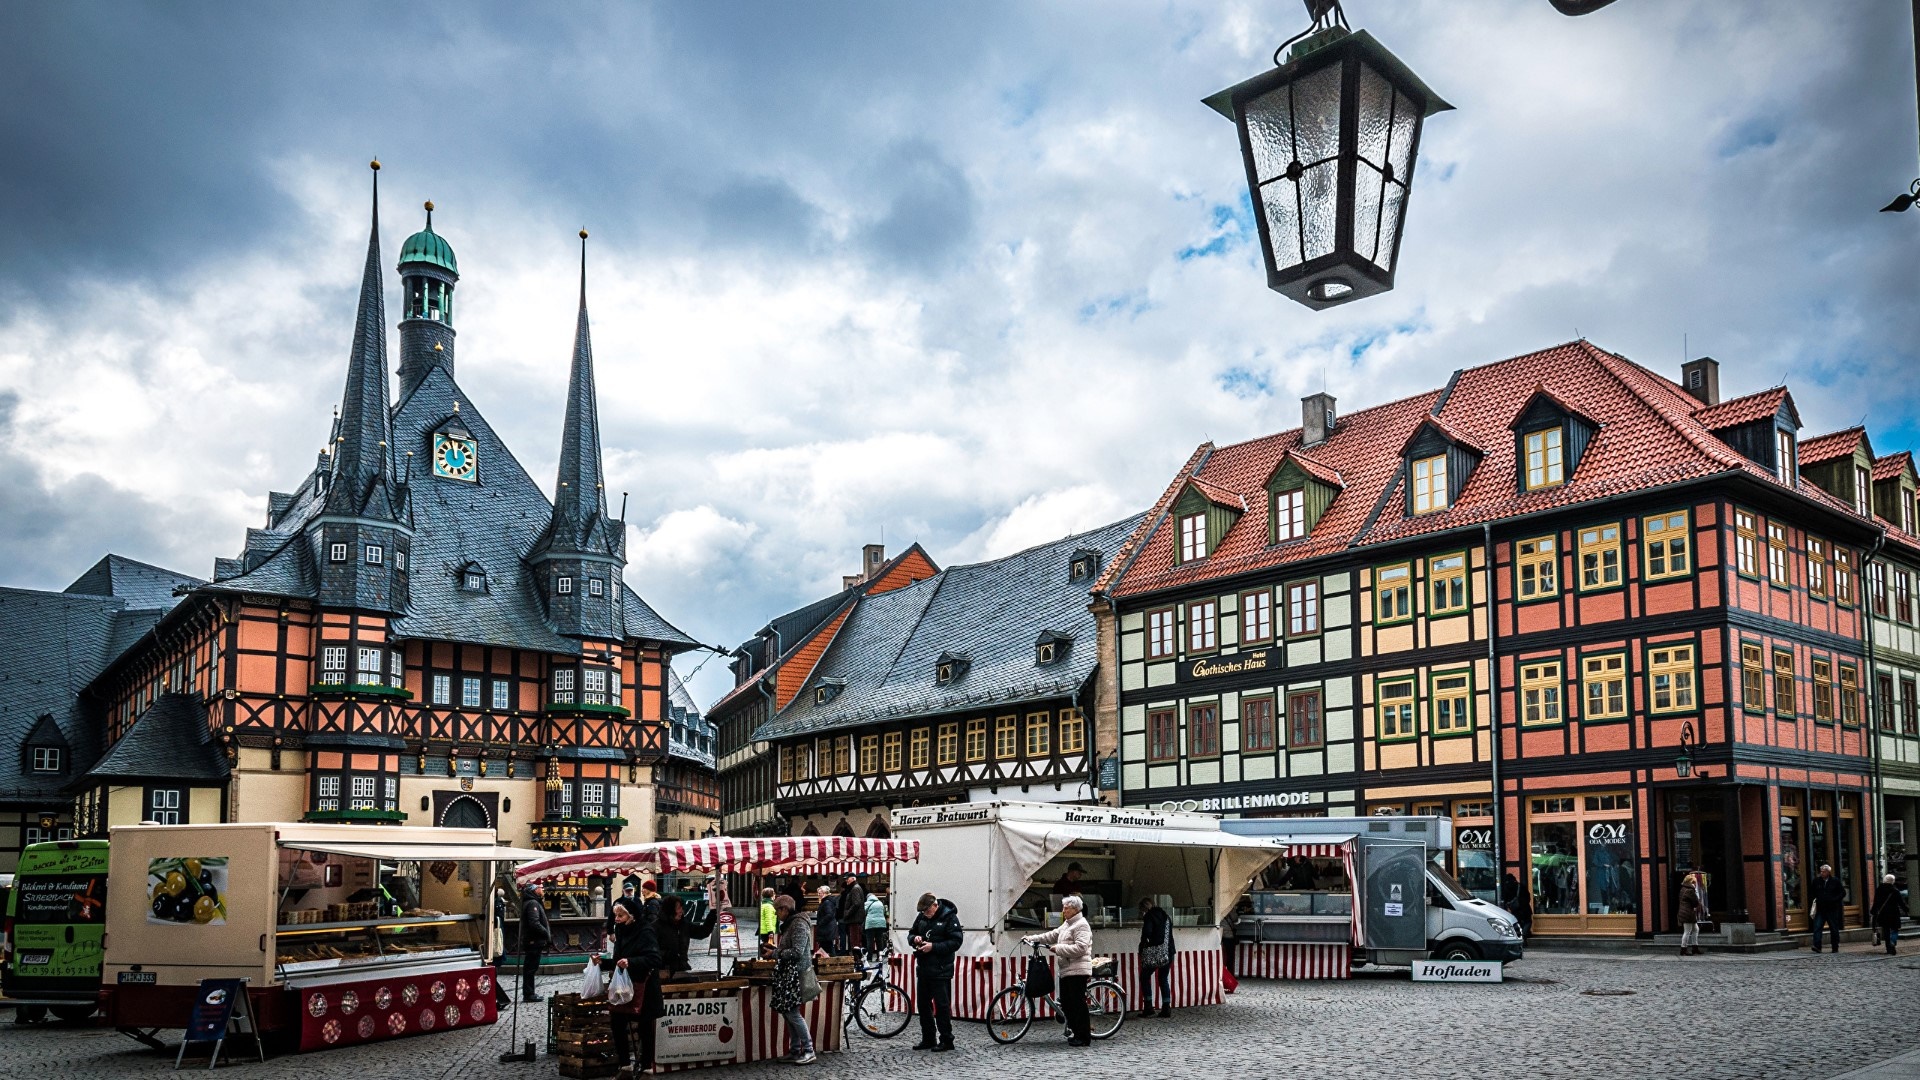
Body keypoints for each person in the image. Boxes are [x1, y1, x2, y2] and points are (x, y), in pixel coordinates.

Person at [1024, 894, 1094, 1047]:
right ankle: (1076, 1033)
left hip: (1077, 969)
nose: (1063, 911)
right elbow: (1052, 935)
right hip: (1067, 969)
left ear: (1075, 909)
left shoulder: (1081, 925)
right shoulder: (1068, 924)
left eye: (1066, 908)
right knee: (1068, 1003)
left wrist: (1059, 948)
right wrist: (1033, 938)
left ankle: (1084, 1036)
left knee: (1077, 1004)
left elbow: (1081, 948)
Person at [607, 896, 665, 1078]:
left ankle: (647, 1066)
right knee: (617, 1021)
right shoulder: (620, 930)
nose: (616, 919)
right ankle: (625, 1065)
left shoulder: (645, 931)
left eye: (620, 915)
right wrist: (601, 963)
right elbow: (618, 959)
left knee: (645, 1026)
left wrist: (631, 962)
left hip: (644, 986)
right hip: (624, 987)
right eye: (616, 915)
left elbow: (655, 959)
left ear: (631, 916)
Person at [908, 891, 962, 1051]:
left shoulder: (950, 917)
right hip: (924, 968)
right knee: (923, 1005)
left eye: (927, 911)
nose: (925, 914)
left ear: (935, 906)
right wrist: (914, 939)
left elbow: (956, 941)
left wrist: (934, 947)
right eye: (923, 912)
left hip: (941, 969)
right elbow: (912, 933)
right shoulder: (922, 917)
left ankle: (946, 1039)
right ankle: (928, 1038)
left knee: (942, 1006)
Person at [768, 894, 818, 1065]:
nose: (776, 914)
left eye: (777, 911)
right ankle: (795, 1050)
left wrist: (775, 953)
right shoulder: (791, 924)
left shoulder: (798, 924)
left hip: (795, 975)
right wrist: (776, 950)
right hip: (788, 975)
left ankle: (809, 1050)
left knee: (792, 1013)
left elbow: (796, 952)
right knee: (788, 1013)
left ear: (785, 909)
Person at [657, 894, 719, 974]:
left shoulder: (683, 924)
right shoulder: (656, 927)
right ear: (670, 910)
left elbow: (702, 932)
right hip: (663, 971)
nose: (681, 911)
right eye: (679, 908)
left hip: (682, 968)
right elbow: (652, 952)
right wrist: (669, 955)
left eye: (682, 908)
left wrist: (713, 913)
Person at [1136, 895, 1174, 1018]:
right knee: (1163, 979)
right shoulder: (1166, 916)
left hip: (1154, 953)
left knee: (1144, 977)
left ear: (1144, 908)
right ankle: (1166, 1007)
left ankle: (1148, 1006)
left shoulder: (1149, 916)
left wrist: (1142, 947)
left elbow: (1147, 933)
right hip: (1168, 952)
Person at [520, 881, 552, 1002]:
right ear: (535, 889)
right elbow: (534, 923)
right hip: (533, 940)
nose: (543, 889)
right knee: (530, 968)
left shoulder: (531, 901)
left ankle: (529, 992)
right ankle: (529, 994)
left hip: (533, 940)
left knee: (531, 967)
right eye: (541, 887)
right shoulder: (532, 902)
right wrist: (545, 933)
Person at [1810, 864, 1846, 952]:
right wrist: (1817, 899)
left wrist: (1834, 900)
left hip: (1832, 909)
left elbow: (1843, 893)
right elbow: (1812, 892)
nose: (1821, 873)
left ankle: (1835, 946)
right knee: (1817, 927)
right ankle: (1817, 946)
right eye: (1821, 871)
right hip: (1821, 909)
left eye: (1824, 871)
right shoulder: (1816, 881)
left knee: (1833, 928)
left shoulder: (1835, 881)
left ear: (1828, 872)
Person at [1871, 873, 1908, 956]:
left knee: (1886, 930)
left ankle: (1888, 949)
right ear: (1893, 881)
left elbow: (1875, 902)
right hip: (1894, 913)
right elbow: (1901, 902)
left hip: (1883, 914)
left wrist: (1873, 911)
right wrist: (1906, 910)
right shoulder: (1894, 890)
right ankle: (1892, 942)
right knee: (1895, 929)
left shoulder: (1879, 889)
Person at [1677, 870, 1708, 956]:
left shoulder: (1683, 889)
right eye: (1694, 882)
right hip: (1688, 913)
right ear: (1691, 882)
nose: (1695, 884)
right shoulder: (1690, 890)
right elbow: (1695, 902)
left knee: (1695, 929)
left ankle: (1695, 947)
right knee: (1687, 931)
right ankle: (1683, 949)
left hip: (1685, 912)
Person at [1501, 872, 1534, 938]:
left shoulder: (1506, 888)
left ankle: (1520, 936)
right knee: (1528, 922)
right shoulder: (1520, 886)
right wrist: (1524, 903)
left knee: (1518, 923)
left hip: (1515, 909)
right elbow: (1528, 896)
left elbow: (1505, 899)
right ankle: (1524, 935)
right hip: (1525, 908)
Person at [841, 874, 867, 956]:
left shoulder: (855, 888)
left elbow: (856, 903)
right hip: (856, 919)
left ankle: (857, 960)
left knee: (855, 942)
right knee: (856, 941)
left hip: (855, 919)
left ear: (853, 879)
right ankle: (857, 960)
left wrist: (847, 913)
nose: (846, 880)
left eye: (847, 879)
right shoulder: (856, 887)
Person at [814, 886, 841, 959]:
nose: (819, 895)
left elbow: (829, 915)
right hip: (828, 929)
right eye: (818, 893)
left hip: (826, 930)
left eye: (820, 893)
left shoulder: (826, 902)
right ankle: (829, 962)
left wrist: (821, 922)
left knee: (827, 946)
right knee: (827, 947)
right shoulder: (828, 901)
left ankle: (831, 963)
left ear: (824, 893)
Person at [863, 890, 889, 961]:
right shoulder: (880, 903)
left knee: (870, 941)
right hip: (881, 924)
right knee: (879, 941)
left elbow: (863, 913)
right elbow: (884, 912)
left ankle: (869, 957)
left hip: (870, 924)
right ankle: (879, 957)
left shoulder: (867, 903)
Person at [758, 887, 778, 954]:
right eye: (774, 893)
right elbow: (768, 919)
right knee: (769, 948)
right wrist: (770, 932)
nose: (775, 895)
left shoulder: (763, 904)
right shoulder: (769, 906)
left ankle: (766, 961)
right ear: (771, 895)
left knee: (766, 947)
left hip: (764, 930)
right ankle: (768, 962)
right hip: (767, 931)